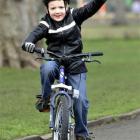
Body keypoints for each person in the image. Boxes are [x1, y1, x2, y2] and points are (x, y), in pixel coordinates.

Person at [21, 0, 107, 139]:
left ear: (66, 6)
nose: (57, 11)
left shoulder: (75, 16)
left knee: (81, 101)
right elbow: (32, 36)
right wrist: (29, 43)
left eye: (61, 7)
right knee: (47, 68)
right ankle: (46, 99)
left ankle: (81, 134)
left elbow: (92, 7)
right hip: (55, 60)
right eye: (53, 8)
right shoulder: (46, 23)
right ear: (47, 9)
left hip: (76, 63)